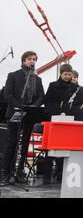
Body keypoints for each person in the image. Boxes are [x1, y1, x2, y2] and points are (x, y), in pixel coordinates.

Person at [0, 51, 45, 185]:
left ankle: (19, 173)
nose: (32, 61)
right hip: (15, 112)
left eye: (34, 59)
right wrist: (19, 106)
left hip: (29, 114)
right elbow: (7, 94)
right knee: (11, 144)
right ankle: (5, 174)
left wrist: (33, 106)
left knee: (25, 144)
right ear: (23, 61)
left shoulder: (38, 79)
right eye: (30, 59)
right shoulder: (13, 75)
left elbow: (41, 96)